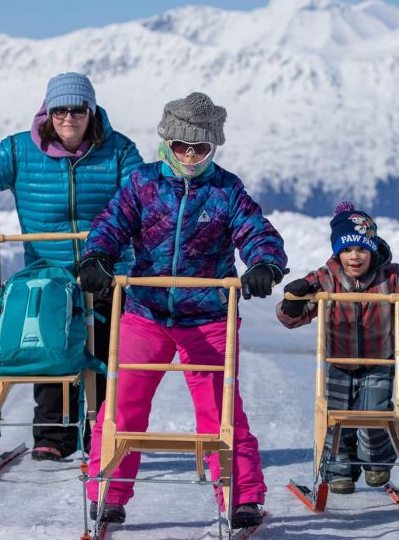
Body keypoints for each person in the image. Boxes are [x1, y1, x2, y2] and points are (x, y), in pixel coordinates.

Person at [77, 92, 286, 529]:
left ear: (213, 148)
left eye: (200, 148)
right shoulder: (142, 184)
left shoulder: (226, 190)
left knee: (220, 409)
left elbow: (255, 230)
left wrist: (264, 262)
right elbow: (112, 225)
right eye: (182, 147)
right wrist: (97, 258)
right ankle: (106, 491)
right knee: (122, 403)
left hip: (207, 316)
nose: (190, 156)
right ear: (166, 142)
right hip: (146, 312)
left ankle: (241, 495)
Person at [0, 72, 143, 461]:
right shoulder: (20, 150)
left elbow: (138, 197)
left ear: (92, 112)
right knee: (50, 347)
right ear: (47, 112)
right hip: (49, 271)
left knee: (108, 353)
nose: (68, 118)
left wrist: (116, 249)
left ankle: (102, 433)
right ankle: (54, 435)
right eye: (60, 110)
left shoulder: (119, 150)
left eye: (77, 110)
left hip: (105, 267)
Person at [275, 201, 399, 494]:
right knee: (337, 418)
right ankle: (339, 471)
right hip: (338, 360)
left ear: (372, 250)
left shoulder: (393, 276)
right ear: (338, 251)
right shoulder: (325, 278)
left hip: (379, 361)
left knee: (374, 415)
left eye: (362, 249)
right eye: (348, 250)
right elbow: (290, 319)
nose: (355, 257)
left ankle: (377, 465)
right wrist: (293, 300)